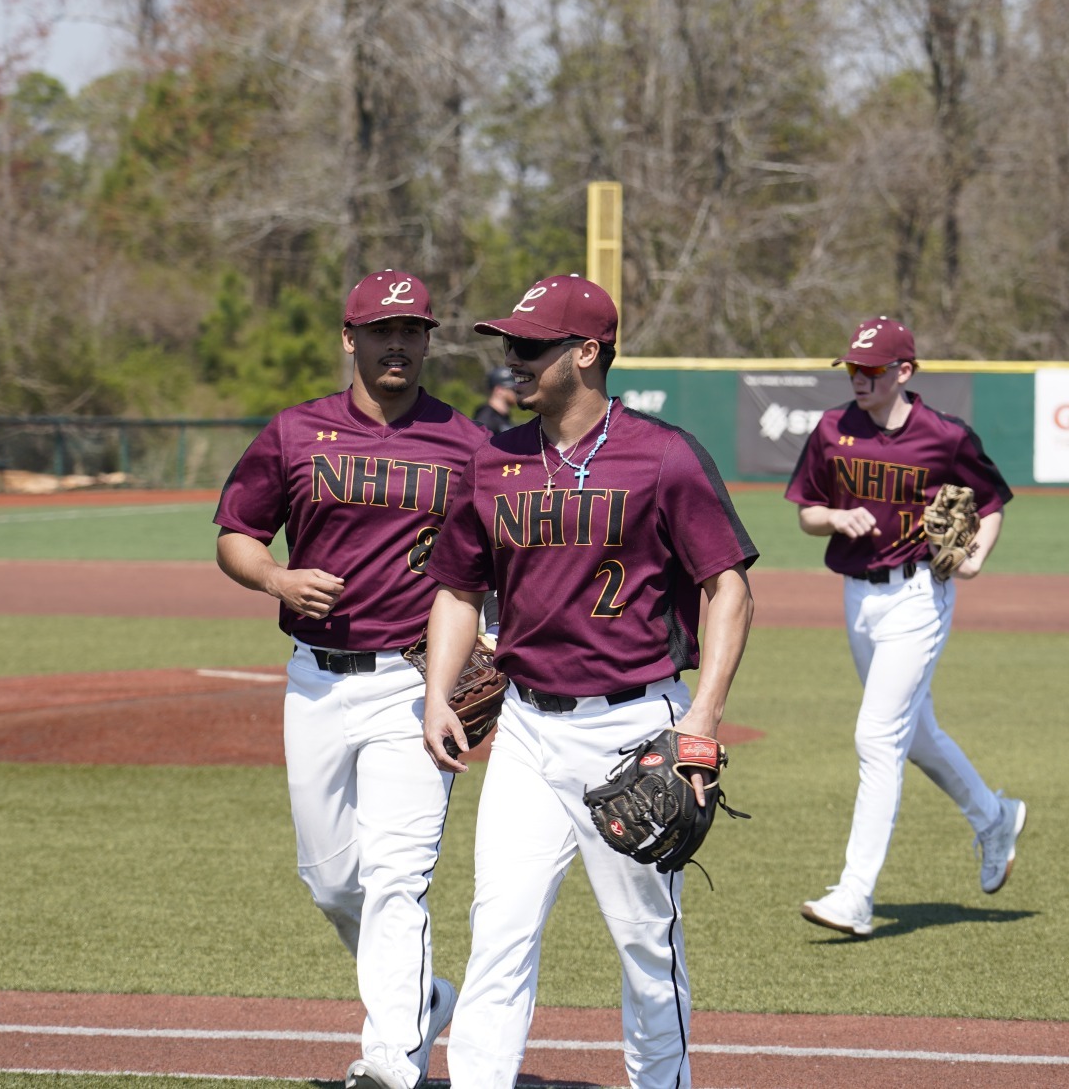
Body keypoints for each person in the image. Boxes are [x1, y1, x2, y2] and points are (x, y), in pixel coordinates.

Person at [417, 273, 757, 1089]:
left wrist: (701, 719)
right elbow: (459, 588)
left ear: (588, 352)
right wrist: (435, 690)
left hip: (634, 728)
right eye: (508, 345)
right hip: (529, 731)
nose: (512, 360)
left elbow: (729, 587)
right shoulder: (493, 461)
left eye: (531, 347)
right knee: (498, 931)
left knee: (647, 945)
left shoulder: (662, 454)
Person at [211, 270, 486, 1089]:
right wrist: (278, 582)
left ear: (429, 339)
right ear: (349, 338)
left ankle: (392, 1058)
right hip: (317, 681)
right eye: (381, 329)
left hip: (414, 680)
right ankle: (423, 998)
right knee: (333, 879)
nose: (398, 343)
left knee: (399, 874)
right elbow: (236, 533)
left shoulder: (467, 442)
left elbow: (498, 562)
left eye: (413, 329)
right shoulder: (295, 434)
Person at [785, 315, 1026, 938]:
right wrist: (836, 520)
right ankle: (994, 817)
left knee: (876, 736)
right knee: (914, 735)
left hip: (920, 595)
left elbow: (992, 500)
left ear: (904, 372)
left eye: (873, 369)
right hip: (857, 597)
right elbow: (808, 511)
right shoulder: (833, 429)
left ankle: (855, 894)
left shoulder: (943, 437)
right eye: (853, 369)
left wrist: (977, 556)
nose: (859, 379)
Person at [472, 366, 520, 434]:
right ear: (499, 390)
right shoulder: (486, 418)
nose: (518, 392)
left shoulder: (502, 416)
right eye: (513, 389)